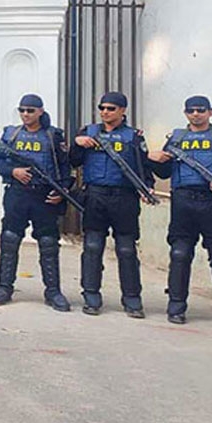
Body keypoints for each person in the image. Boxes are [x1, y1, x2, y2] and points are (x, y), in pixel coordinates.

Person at [146, 95, 212, 330]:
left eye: (201, 110)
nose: (195, 114)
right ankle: (176, 307)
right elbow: (164, 173)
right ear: (185, 114)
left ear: (210, 112)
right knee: (180, 255)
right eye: (191, 110)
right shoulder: (176, 138)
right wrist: (152, 159)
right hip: (183, 203)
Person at [69, 91, 154, 317]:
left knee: (126, 250)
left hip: (124, 197)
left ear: (123, 110)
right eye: (102, 108)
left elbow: (143, 165)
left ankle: (132, 300)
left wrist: (147, 187)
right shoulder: (88, 132)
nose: (105, 112)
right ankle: (91, 297)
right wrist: (77, 143)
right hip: (95, 196)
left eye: (111, 108)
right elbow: (73, 161)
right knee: (92, 247)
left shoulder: (133, 136)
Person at [0, 94, 73, 311]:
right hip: (17, 193)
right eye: (22, 110)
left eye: (30, 111)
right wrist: (13, 171)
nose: (25, 114)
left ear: (40, 112)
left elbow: (65, 166)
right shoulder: (11, 134)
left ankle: (53, 291)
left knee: (48, 242)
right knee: (9, 239)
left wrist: (62, 190)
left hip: (44, 195)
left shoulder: (53, 136)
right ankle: (4, 287)